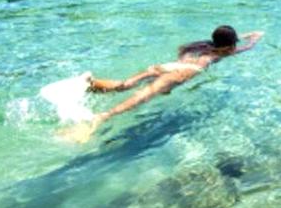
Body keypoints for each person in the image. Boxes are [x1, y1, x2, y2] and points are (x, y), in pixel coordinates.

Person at [61, 26, 264, 143]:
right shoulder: (222, 52)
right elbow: (243, 48)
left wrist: (246, 34)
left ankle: (90, 83)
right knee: (141, 97)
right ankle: (100, 118)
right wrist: (253, 40)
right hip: (179, 74)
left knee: (125, 85)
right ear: (230, 45)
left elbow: (226, 40)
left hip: (165, 66)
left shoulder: (202, 45)